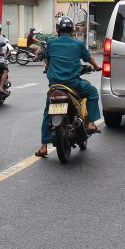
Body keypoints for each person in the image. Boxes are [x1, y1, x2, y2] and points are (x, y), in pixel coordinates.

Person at [36, 16, 101, 158]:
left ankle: (43, 147)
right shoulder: (78, 44)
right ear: (71, 30)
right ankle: (90, 123)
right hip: (73, 84)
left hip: (55, 86)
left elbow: (48, 59)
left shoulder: (51, 43)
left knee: (48, 112)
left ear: (57, 30)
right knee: (93, 92)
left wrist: (47, 67)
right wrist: (96, 66)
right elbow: (88, 58)